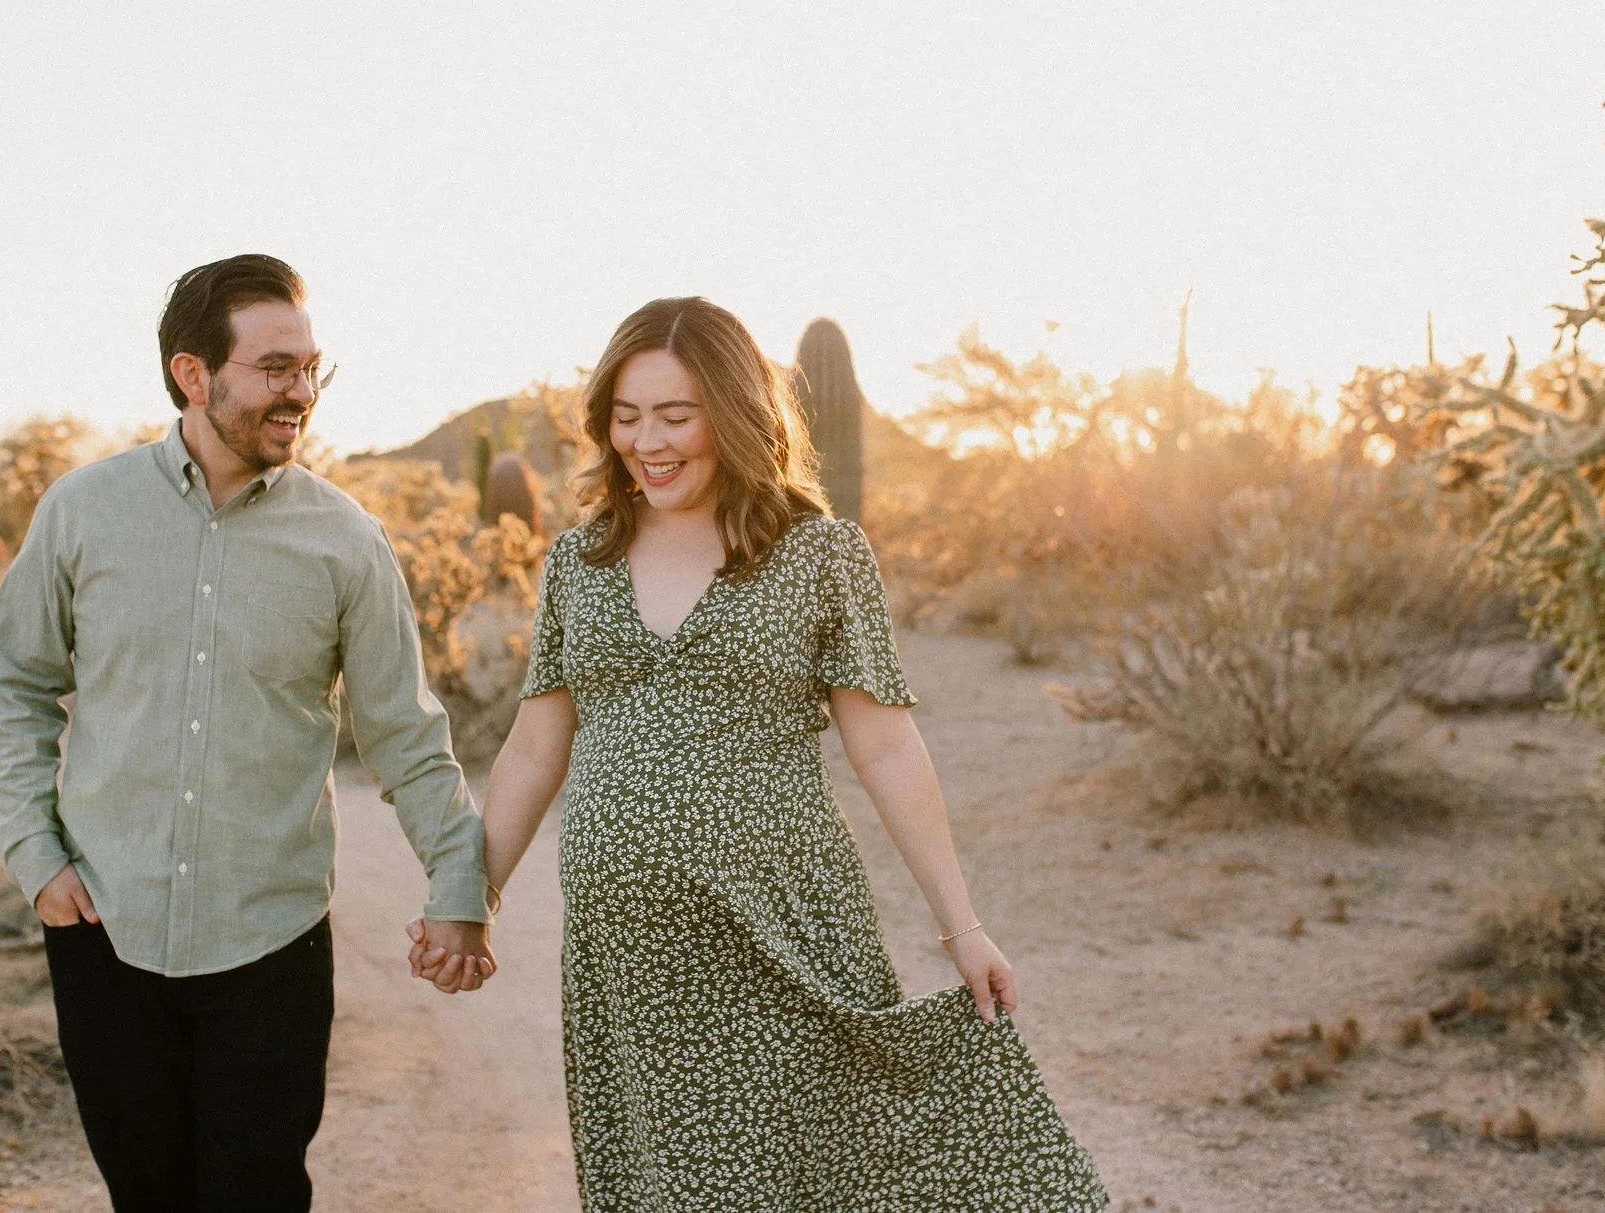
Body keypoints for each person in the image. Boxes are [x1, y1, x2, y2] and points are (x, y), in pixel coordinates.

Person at [414, 297, 1108, 1209]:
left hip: (784, 931)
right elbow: (536, 746)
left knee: (818, 1177)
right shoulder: (581, 561)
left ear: (734, 412)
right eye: (625, 417)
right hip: (632, 964)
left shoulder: (817, 554)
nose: (646, 442)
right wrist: (473, 898)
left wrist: (962, 926)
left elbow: (888, 746)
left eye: (674, 414)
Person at [0, 254, 495, 1212]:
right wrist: (33, 854)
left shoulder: (347, 540)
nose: (300, 392)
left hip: (272, 940)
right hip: (104, 928)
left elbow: (406, 735)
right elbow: (14, 683)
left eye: (310, 368)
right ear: (193, 374)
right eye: (274, 368)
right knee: (148, 1193)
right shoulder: (83, 511)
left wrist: (460, 884)